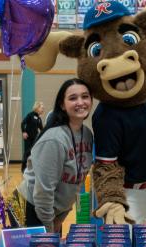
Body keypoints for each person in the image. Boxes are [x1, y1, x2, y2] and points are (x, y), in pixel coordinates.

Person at [15, 79, 93, 233]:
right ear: (62, 105)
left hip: (52, 213)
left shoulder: (87, 135)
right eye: (73, 98)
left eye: (85, 96)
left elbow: (76, 183)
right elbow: (43, 191)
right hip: (30, 208)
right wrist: (49, 228)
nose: (80, 102)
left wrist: (61, 217)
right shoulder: (54, 139)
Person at [20, 101, 44, 172]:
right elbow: (23, 123)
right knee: (27, 153)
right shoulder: (30, 115)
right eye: (42, 108)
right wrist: (24, 132)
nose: (43, 109)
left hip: (35, 139)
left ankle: (32, 168)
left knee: (34, 153)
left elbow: (42, 129)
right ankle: (23, 169)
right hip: (28, 138)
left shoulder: (39, 119)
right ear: (37, 107)